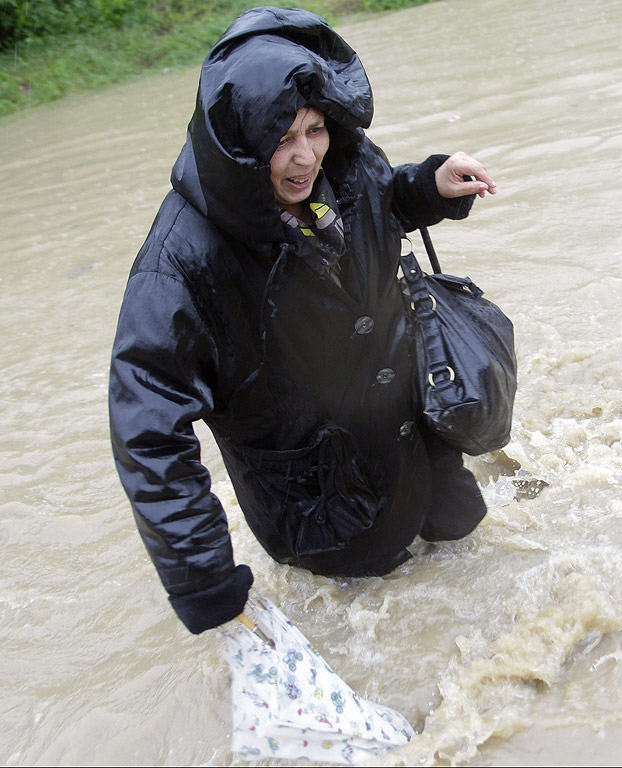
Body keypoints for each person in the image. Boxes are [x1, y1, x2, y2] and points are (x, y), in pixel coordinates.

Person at [108, 6, 497, 635]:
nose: (303, 157)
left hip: (417, 439)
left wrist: (429, 186)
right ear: (238, 143)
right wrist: (208, 586)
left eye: (313, 130)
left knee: (482, 569)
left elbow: (377, 204)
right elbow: (146, 433)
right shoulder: (178, 263)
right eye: (280, 140)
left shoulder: (341, 161)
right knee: (387, 635)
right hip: (323, 504)